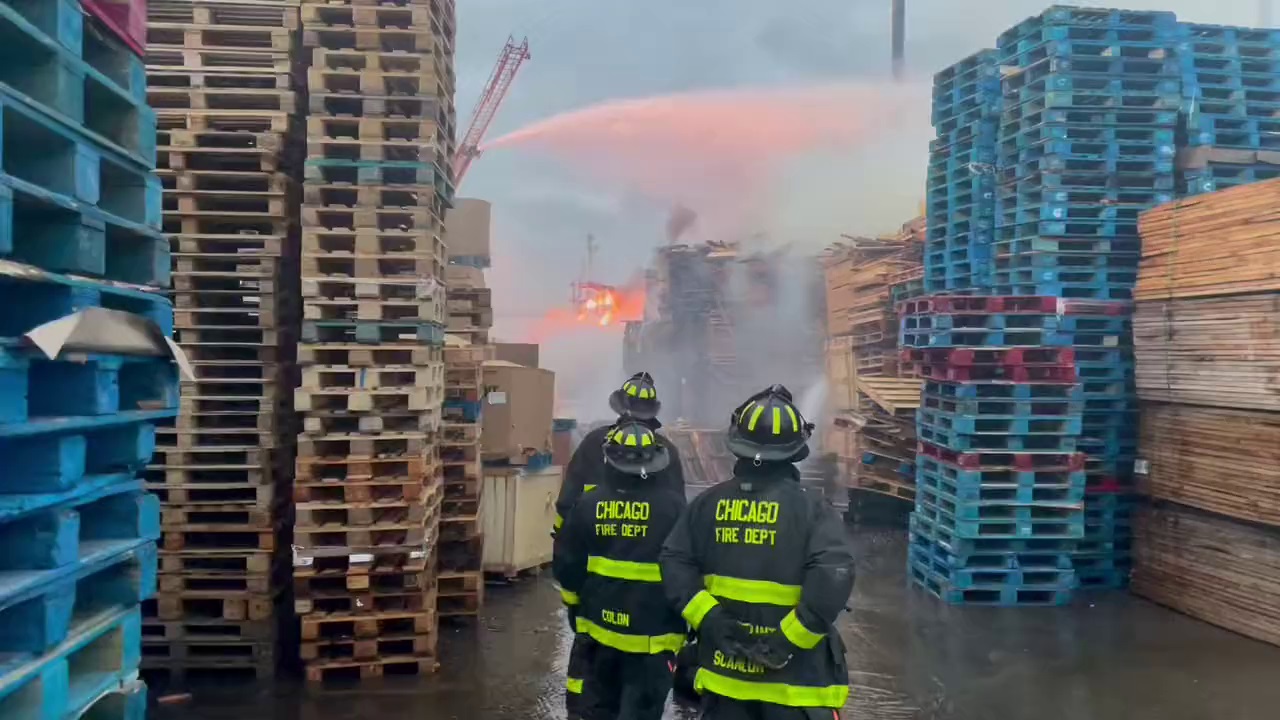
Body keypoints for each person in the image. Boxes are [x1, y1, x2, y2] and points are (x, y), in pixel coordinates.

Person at [659, 385, 855, 719]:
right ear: (795, 450)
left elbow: (674, 563)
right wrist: (785, 642)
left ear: (738, 445)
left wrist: (711, 620)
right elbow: (833, 579)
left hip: (725, 684)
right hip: (796, 691)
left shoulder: (706, 505)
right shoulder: (814, 510)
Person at [554, 420, 689, 720]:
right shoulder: (677, 509)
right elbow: (688, 574)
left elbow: (566, 565)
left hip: (596, 640)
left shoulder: (587, 505)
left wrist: (576, 609)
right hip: (653, 647)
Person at [554, 372, 685, 535]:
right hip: (650, 548)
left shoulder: (594, 441)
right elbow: (678, 510)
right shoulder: (664, 450)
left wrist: (564, 537)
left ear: (619, 406)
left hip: (594, 542)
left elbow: (569, 496)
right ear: (652, 410)